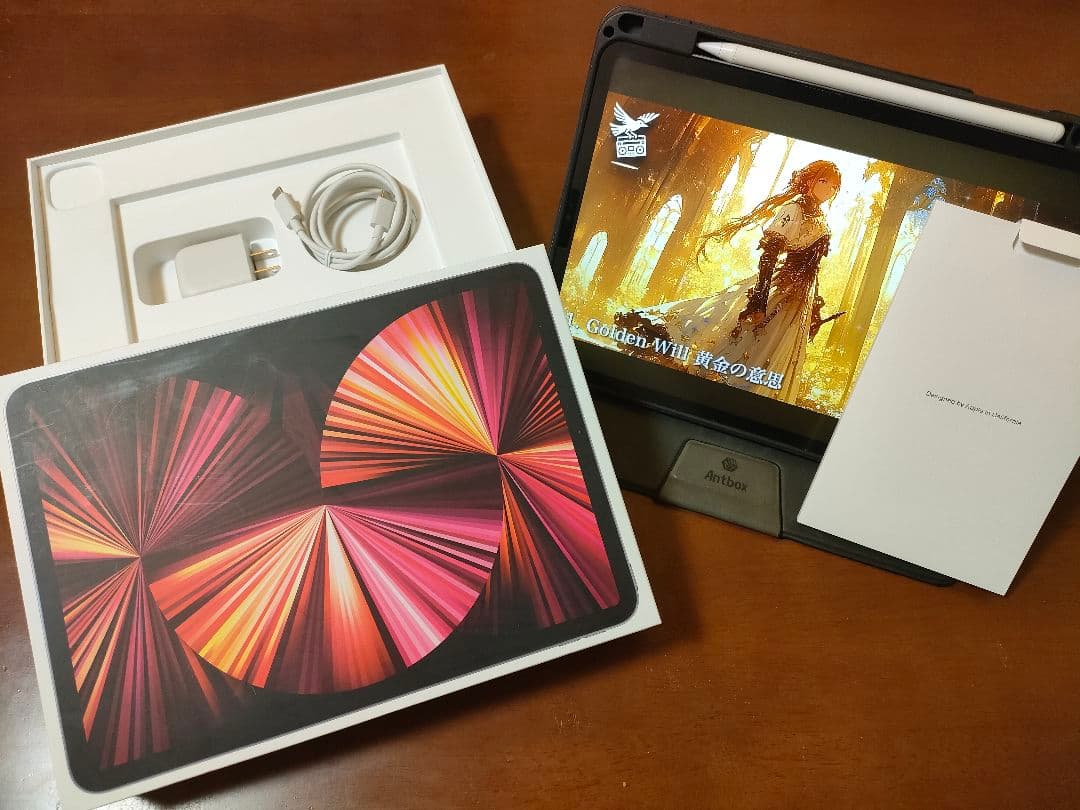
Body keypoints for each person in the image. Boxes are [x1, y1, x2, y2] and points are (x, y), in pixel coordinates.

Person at [615, 159, 843, 403]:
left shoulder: (820, 217)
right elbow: (770, 254)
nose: (828, 189)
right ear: (809, 180)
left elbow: (814, 268)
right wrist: (759, 298)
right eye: (824, 181)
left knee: (770, 355)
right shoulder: (794, 209)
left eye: (834, 186)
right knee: (740, 340)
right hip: (780, 289)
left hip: (799, 302)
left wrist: (814, 309)